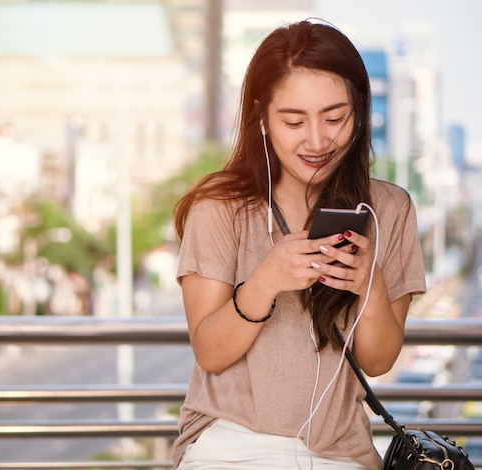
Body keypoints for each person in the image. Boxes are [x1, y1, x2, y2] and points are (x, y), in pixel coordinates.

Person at [171, 18, 426, 469]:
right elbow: (210, 352)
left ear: (360, 110)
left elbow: (379, 359)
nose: (316, 140)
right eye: (293, 121)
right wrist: (265, 281)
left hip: (339, 451)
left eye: (335, 118)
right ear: (261, 118)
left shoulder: (389, 209)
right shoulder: (219, 207)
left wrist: (371, 283)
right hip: (229, 442)